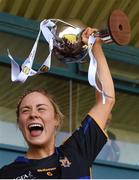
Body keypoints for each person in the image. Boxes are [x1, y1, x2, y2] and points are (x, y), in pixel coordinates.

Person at [0, 27, 115, 179]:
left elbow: (106, 100)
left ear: (56, 120)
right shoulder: (7, 175)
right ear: (20, 124)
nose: (33, 114)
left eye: (41, 109)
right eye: (25, 110)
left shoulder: (76, 152)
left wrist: (95, 47)